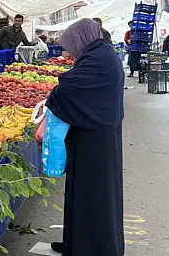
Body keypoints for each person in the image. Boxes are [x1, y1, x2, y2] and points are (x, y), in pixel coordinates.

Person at [47, 19, 124, 256]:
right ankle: (75, 242)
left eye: (71, 46)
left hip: (95, 139)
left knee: (93, 194)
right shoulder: (99, 54)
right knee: (80, 191)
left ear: (82, 39)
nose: (70, 53)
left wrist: (57, 91)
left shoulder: (99, 59)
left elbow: (69, 89)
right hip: (94, 132)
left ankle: (95, 248)